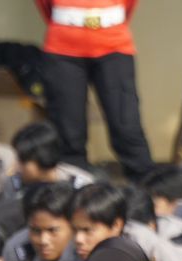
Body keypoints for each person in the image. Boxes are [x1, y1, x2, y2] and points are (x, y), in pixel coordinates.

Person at [34, 0, 152, 181]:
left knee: (126, 125)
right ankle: (72, 188)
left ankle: (148, 191)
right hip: (63, 46)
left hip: (114, 43)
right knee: (68, 129)